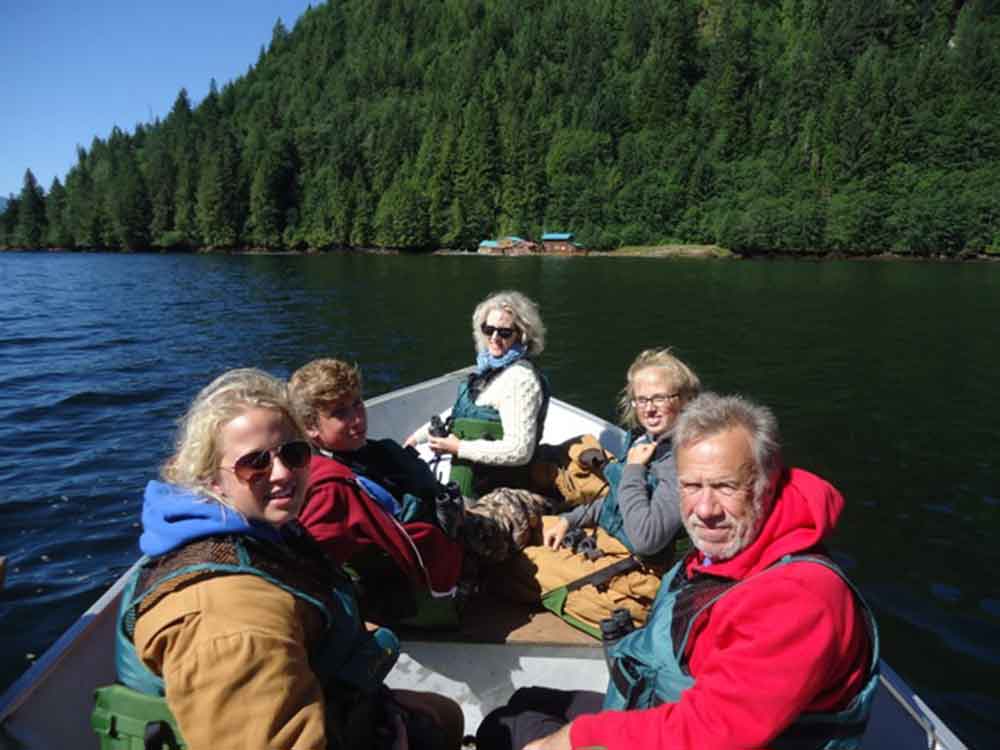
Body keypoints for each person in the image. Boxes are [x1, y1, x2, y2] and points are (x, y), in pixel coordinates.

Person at [477, 393, 879, 750]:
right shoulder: (734, 547)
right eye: (691, 486)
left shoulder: (799, 596)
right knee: (525, 702)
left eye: (725, 486)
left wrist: (575, 738)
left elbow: (712, 733)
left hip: (700, 735)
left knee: (509, 730)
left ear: (768, 481)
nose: (704, 510)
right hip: (668, 706)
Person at [113, 369, 463, 750]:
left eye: (293, 454)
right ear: (212, 479)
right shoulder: (230, 623)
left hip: (329, 703)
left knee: (443, 712)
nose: (282, 475)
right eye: (255, 463)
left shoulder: (263, 534)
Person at [495, 349, 701, 634]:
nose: (649, 408)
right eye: (641, 399)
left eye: (659, 398)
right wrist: (571, 520)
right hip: (607, 540)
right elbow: (618, 502)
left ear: (686, 400)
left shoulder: (681, 462)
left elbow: (646, 541)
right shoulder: (649, 442)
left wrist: (632, 470)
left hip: (636, 572)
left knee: (516, 566)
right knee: (522, 531)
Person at [288, 358, 465, 624]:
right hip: (415, 591)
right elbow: (312, 563)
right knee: (516, 508)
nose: (357, 419)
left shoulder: (376, 453)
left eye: (357, 403)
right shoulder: (330, 487)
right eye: (340, 413)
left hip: (433, 550)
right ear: (311, 427)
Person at [406, 289, 558, 563]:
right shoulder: (486, 372)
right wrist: (417, 438)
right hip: (466, 483)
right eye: (489, 329)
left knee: (448, 533)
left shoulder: (520, 380)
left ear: (522, 335)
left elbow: (520, 450)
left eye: (505, 332)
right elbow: (460, 412)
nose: (495, 338)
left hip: (499, 488)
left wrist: (459, 447)